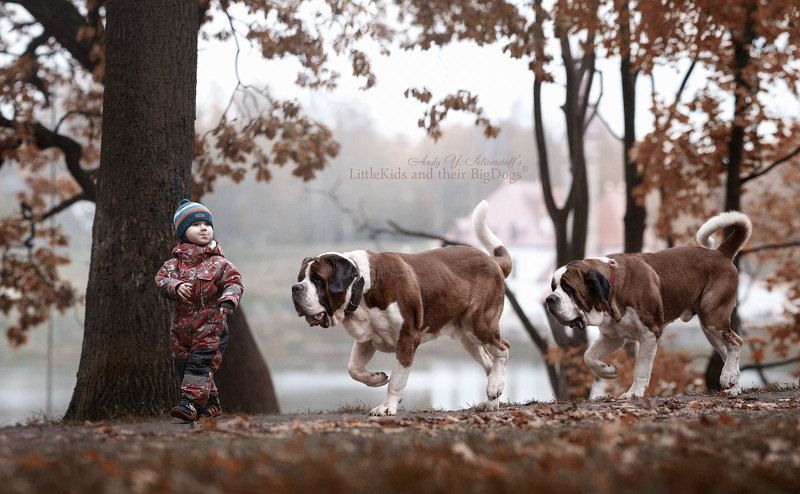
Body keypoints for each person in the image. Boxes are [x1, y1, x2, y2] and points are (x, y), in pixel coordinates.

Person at [154, 199, 243, 421]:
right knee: (183, 366)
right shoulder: (173, 264)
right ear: (183, 232)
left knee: (199, 365)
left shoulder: (220, 263)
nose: (203, 228)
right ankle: (211, 405)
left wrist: (228, 300)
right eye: (196, 224)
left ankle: (188, 405)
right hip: (181, 328)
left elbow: (235, 282)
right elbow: (161, 279)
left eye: (207, 224)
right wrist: (174, 287)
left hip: (211, 326)